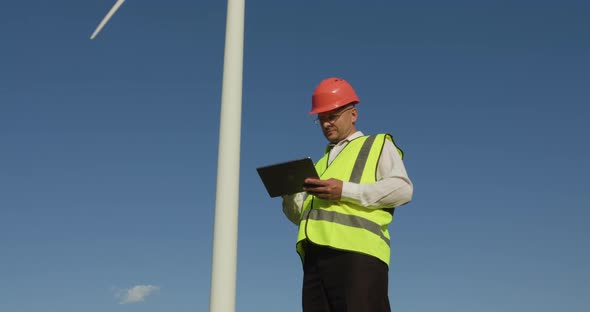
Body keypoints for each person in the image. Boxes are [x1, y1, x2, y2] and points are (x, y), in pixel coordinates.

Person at [282, 77, 413, 312]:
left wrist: (344, 190)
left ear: (353, 114)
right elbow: (302, 216)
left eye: (331, 116)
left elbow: (403, 190)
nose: (326, 124)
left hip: (358, 255)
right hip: (314, 259)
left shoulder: (377, 144)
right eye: (321, 119)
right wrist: (288, 196)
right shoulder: (319, 165)